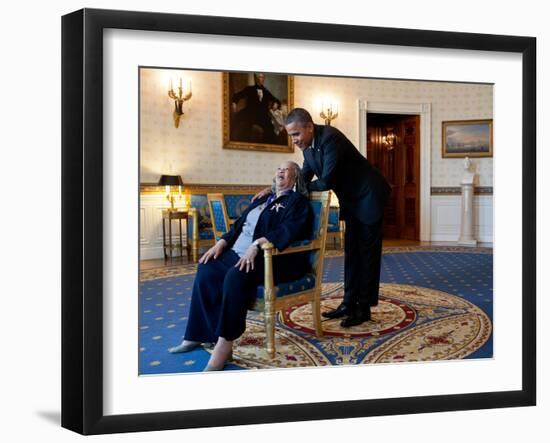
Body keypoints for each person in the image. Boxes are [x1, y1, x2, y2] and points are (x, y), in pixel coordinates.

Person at [169, 161, 313, 371]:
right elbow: (238, 224)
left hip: (271, 258)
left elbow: (289, 230)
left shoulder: (297, 202)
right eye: (278, 168)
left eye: (287, 169)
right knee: (207, 268)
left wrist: (257, 245)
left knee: (235, 276)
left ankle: (224, 344)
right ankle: (198, 334)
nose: (281, 171)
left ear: (295, 178)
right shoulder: (263, 198)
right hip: (238, 253)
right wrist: (222, 242)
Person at [254, 108, 391, 327]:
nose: (295, 140)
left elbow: (326, 181)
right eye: (291, 136)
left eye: (297, 134)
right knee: (352, 252)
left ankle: (363, 308)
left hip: (369, 196)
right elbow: (302, 179)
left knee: (367, 254)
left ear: (309, 126)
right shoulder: (308, 148)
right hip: (352, 199)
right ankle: (348, 303)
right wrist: (273, 190)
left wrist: (296, 189)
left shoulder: (330, 138)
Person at [231, 73, 279, 144]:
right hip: (250, 113)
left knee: (270, 129)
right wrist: (234, 102)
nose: (260, 79)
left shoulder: (266, 92)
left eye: (262, 78)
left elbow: (275, 100)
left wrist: (275, 103)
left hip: (262, 115)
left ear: (264, 79)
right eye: (259, 77)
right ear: (256, 79)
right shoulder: (250, 89)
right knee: (241, 124)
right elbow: (238, 95)